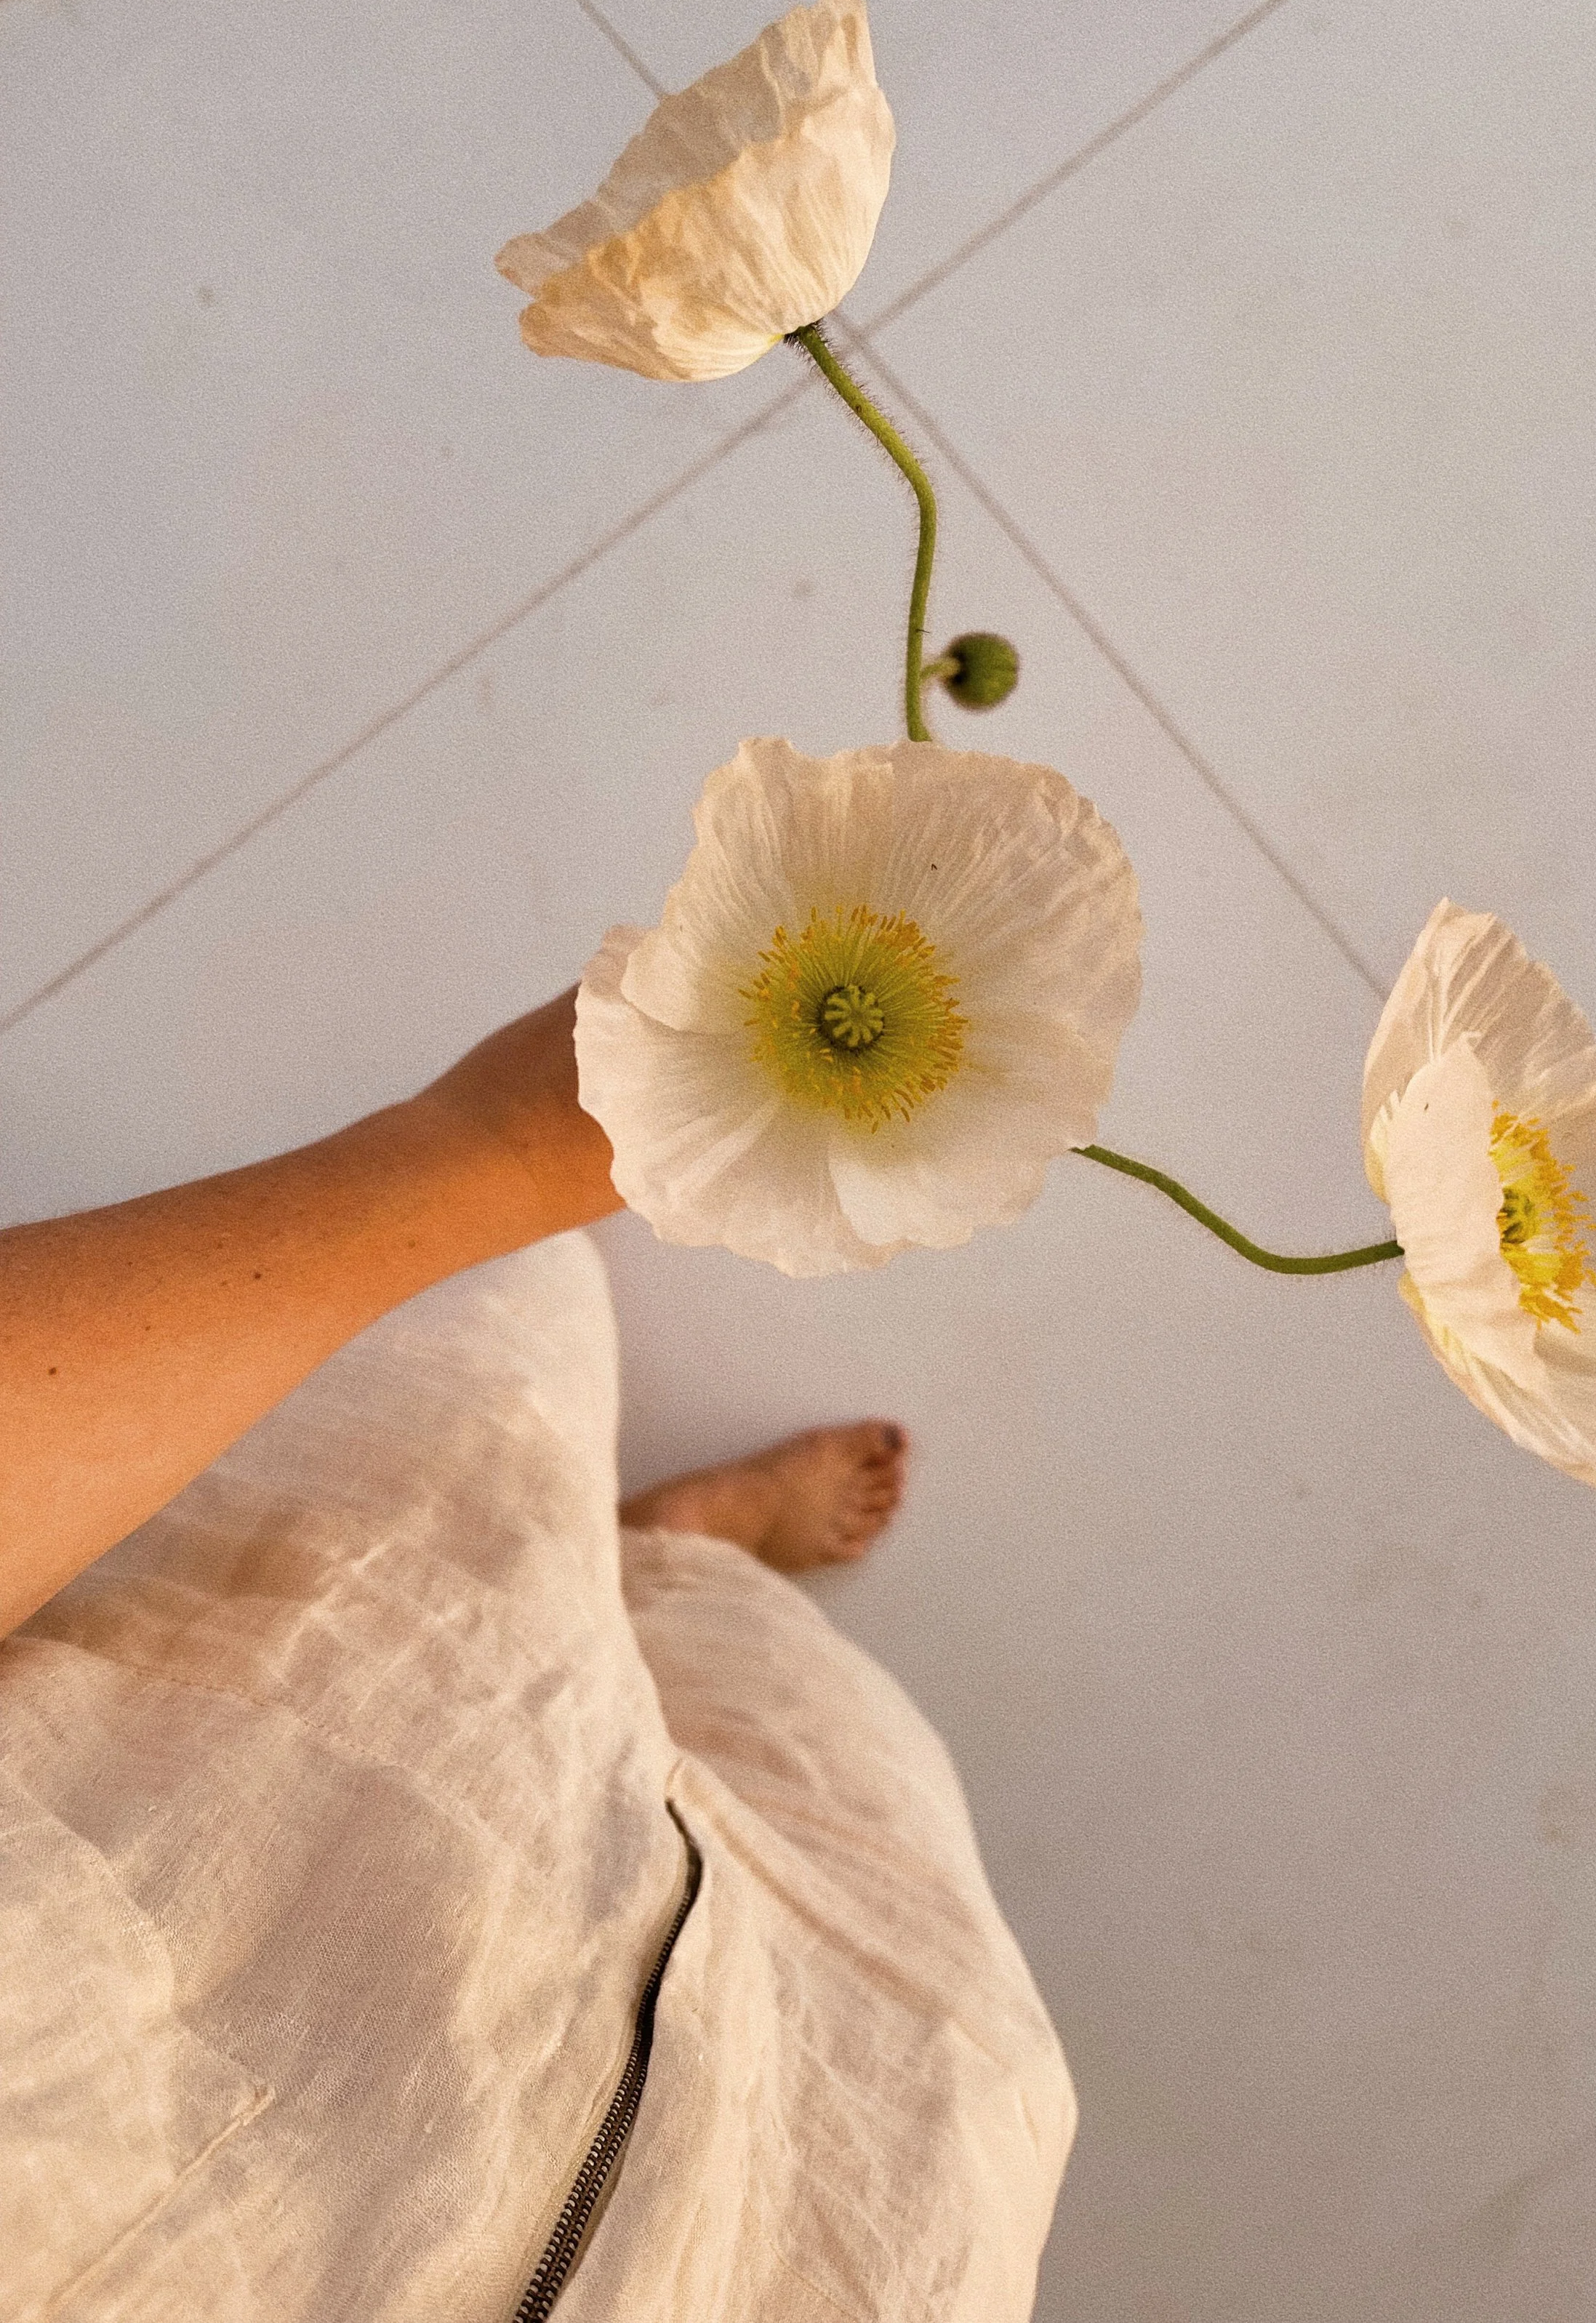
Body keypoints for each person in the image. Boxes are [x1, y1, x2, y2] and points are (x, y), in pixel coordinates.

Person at [0, 995, 1075, 2322]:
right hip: (791, 2201)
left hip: (298, 1728)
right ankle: (682, 1558)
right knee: (983, 2069)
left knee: (524, 1288)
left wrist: (478, 1151)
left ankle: (628, 1559)